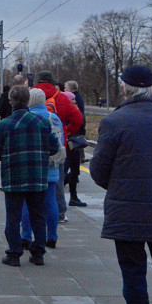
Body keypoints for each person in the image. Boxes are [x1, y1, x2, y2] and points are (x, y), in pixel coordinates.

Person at [89, 65, 152, 304]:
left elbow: (99, 172)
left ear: (124, 89)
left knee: (134, 278)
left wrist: (120, 188)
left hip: (128, 212)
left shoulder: (114, 122)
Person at [0, 85, 60, 267]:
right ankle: (38, 254)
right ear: (28, 100)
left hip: (14, 179)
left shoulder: (4, 125)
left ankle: (14, 254)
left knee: (13, 217)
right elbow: (54, 147)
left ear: (11, 101)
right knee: (38, 216)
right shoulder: (42, 123)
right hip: (37, 177)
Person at [19, 88, 64, 249]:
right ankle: (52, 236)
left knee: (27, 203)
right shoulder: (54, 118)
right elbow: (61, 143)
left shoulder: (28, 118)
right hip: (52, 165)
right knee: (51, 202)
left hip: (32, 167)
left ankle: (26, 235)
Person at [63, 79, 89, 208]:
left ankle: (72, 195)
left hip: (74, 143)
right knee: (72, 169)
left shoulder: (75, 111)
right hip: (71, 143)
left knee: (74, 170)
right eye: (72, 100)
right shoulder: (68, 113)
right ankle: (71, 195)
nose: (74, 101)